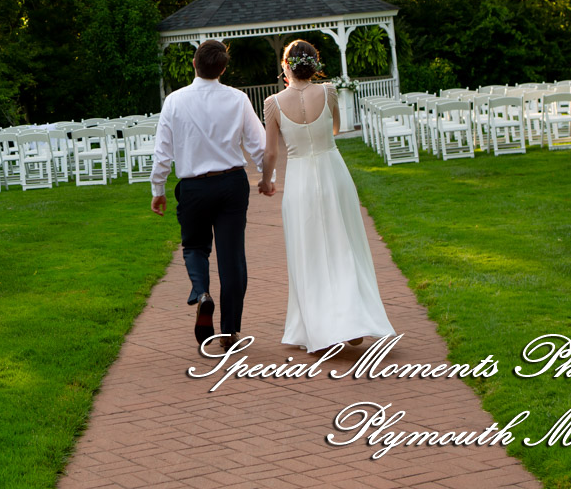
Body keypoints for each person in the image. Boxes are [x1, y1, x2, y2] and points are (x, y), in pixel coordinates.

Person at [260, 39, 395, 352]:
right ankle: (353, 319)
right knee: (344, 245)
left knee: (308, 252)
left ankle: (320, 329)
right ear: (313, 65)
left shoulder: (273, 103)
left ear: (285, 66)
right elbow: (334, 128)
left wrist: (266, 181)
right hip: (333, 172)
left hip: (300, 179)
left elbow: (270, 152)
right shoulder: (330, 91)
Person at [150, 39, 267, 350]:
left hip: (193, 187)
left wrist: (158, 189)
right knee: (232, 258)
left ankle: (201, 293)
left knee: (195, 246)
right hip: (231, 184)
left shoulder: (174, 101)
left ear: (194, 64)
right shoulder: (238, 99)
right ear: (223, 68)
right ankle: (230, 332)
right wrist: (269, 177)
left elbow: (162, 151)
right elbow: (259, 144)